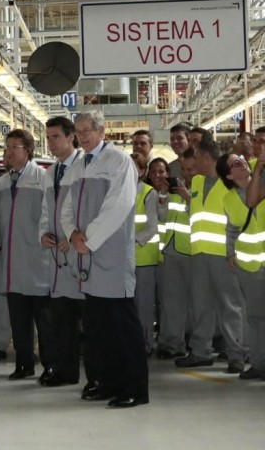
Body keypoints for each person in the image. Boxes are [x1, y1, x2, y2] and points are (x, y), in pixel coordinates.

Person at [61, 111, 147, 408]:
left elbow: (118, 205)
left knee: (123, 327)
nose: (82, 136)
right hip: (87, 259)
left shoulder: (119, 162)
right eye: (79, 131)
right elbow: (66, 206)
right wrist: (72, 234)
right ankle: (107, 382)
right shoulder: (79, 165)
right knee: (98, 330)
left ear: (101, 131)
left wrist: (89, 240)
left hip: (110, 257)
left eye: (87, 130)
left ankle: (135, 388)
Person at [176, 138, 246, 373]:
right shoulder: (196, 181)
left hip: (223, 255)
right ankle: (200, 351)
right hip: (198, 254)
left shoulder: (229, 183)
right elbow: (198, 213)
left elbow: (237, 219)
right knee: (200, 305)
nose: (192, 162)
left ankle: (236, 354)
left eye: (195, 157)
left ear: (206, 157)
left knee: (229, 305)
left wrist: (233, 249)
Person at [0, 129, 51, 381]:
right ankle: (23, 363)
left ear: (28, 149)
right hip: (11, 262)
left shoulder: (42, 179)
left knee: (44, 320)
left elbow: (50, 216)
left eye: (14, 147)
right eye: (7, 147)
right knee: (19, 319)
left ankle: (50, 365)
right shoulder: (2, 183)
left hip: (38, 261)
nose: (9, 153)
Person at [38, 116, 85, 387]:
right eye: (48, 137)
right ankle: (65, 372)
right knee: (62, 322)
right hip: (57, 257)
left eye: (56, 136)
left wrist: (73, 234)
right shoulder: (50, 172)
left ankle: (96, 375)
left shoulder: (84, 168)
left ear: (71, 137)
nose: (51, 142)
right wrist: (43, 234)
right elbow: (46, 210)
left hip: (80, 254)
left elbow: (86, 209)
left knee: (89, 324)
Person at [156, 148, 195, 359]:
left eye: (190, 168)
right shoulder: (174, 188)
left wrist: (188, 197)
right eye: (184, 168)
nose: (187, 172)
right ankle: (173, 344)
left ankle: (196, 343)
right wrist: (163, 194)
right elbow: (162, 217)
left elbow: (202, 215)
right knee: (171, 301)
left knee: (196, 302)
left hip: (193, 250)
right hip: (171, 249)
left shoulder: (204, 187)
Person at [234, 151, 265, 379]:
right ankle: (260, 363)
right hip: (254, 262)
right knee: (256, 317)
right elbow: (252, 200)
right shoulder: (260, 172)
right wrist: (259, 169)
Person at [134, 156, 166, 355]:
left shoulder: (148, 193)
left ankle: (145, 344)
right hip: (124, 260)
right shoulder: (118, 191)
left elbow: (152, 228)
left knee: (144, 306)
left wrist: (130, 242)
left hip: (144, 258)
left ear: (141, 172)